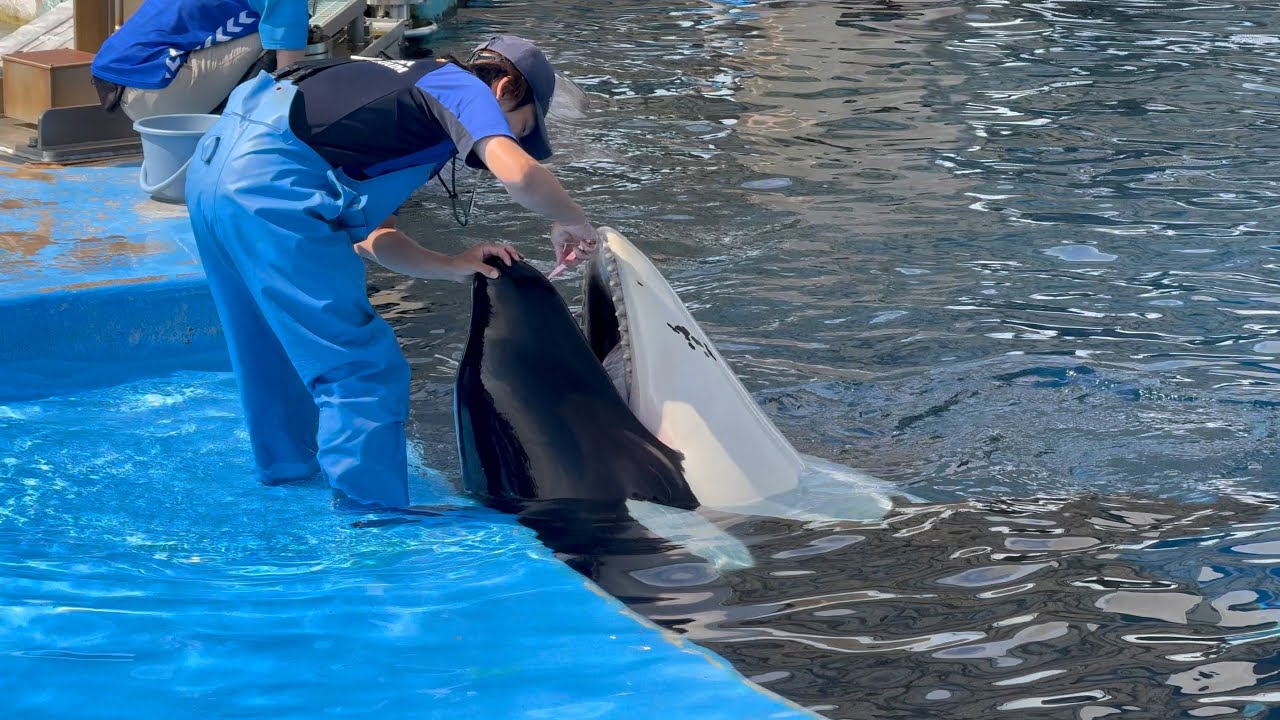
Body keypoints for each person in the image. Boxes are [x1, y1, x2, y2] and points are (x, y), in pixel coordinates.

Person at [184, 35, 599, 510]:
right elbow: (520, 176)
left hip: (215, 174)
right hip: (272, 192)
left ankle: (288, 486)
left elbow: (374, 238)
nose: (507, 143)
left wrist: (451, 266)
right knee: (364, 372)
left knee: (273, 354)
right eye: (519, 128)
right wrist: (573, 222)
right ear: (503, 87)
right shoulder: (459, 87)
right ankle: (376, 527)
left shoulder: (398, 95)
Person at [90, 0, 309, 121]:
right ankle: (244, 125)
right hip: (155, 94)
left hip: (120, 78)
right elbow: (288, 72)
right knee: (275, 36)